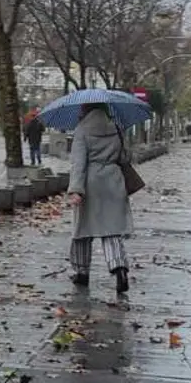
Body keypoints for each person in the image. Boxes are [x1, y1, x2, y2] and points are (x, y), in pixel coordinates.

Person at [67, 103, 134, 294]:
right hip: (114, 181)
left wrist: (76, 190)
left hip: (91, 183)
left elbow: (78, 163)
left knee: (82, 230)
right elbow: (125, 158)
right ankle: (119, 268)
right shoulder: (117, 128)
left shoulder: (82, 130)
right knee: (111, 230)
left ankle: (82, 272)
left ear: (86, 109)